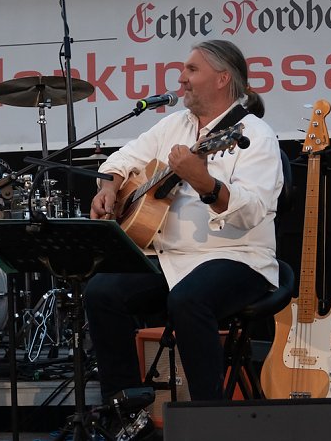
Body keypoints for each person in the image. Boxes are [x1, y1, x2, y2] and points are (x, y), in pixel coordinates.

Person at [86, 40, 284, 410]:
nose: (181, 79)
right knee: (101, 291)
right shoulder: (173, 125)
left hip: (238, 257)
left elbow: (252, 211)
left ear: (223, 78)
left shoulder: (255, 135)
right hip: (169, 256)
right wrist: (109, 187)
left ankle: (209, 418)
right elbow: (122, 159)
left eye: (192, 70)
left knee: (188, 300)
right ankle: (125, 407)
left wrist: (205, 182)